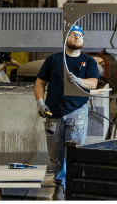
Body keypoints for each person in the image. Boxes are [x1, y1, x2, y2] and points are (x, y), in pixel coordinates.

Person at [34, 25, 99, 200]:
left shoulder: (89, 62)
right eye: (73, 35)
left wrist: (78, 80)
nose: (77, 37)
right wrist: (40, 103)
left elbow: (93, 83)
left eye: (80, 35)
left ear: (83, 41)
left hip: (77, 112)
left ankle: (73, 185)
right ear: (66, 39)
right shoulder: (53, 60)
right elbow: (40, 82)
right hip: (53, 114)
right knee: (56, 154)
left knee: (74, 152)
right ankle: (60, 185)